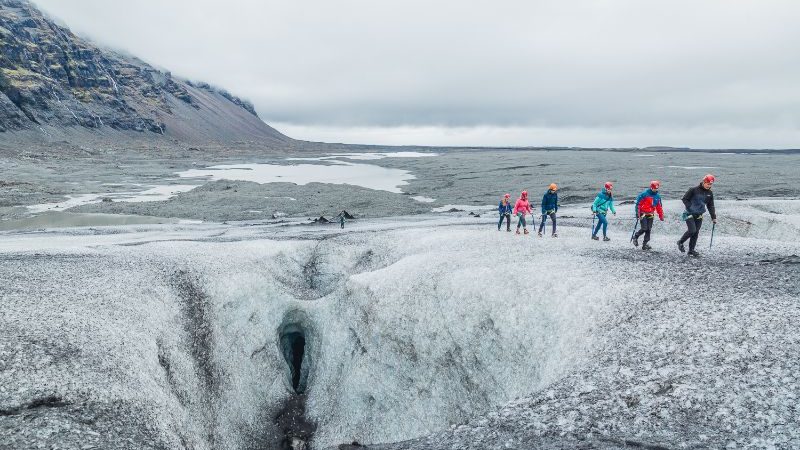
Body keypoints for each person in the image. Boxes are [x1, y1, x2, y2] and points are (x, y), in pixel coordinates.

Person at [677, 174, 717, 257]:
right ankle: (680, 242)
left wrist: (713, 217)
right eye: (708, 184)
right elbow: (684, 199)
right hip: (689, 213)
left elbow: (710, 206)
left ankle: (691, 250)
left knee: (696, 233)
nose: (709, 186)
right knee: (692, 230)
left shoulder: (710, 193)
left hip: (699, 215)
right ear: (704, 182)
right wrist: (690, 207)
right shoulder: (693, 190)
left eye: (710, 184)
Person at [632, 180, 664, 250]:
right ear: (651, 187)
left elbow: (659, 207)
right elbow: (638, 204)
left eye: (657, 188)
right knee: (644, 228)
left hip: (651, 214)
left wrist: (661, 215)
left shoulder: (658, 196)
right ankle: (636, 236)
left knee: (648, 229)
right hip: (643, 214)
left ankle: (645, 244)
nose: (656, 190)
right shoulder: (644, 194)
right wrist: (638, 214)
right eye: (654, 188)